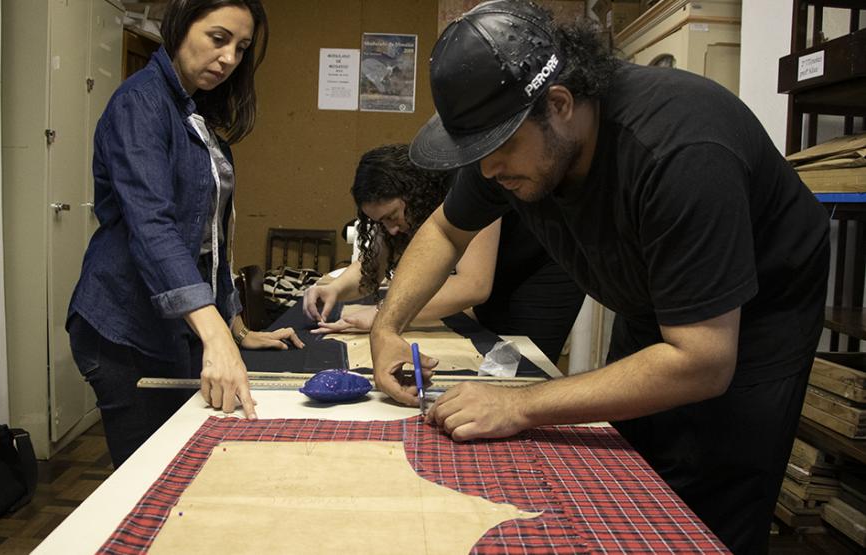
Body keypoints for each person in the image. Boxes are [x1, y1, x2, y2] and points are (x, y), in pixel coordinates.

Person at [369, 1, 830, 553]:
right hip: (651, 302)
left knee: (707, 506)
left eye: (499, 151)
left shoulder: (682, 151)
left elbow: (702, 360)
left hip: (756, 317)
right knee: (629, 475)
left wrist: (520, 403)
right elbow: (446, 231)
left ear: (559, 104)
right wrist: (386, 326)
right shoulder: (516, 133)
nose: (488, 172)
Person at [67, 0, 302, 468]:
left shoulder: (193, 114)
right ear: (179, 27)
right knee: (150, 474)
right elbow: (153, 227)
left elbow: (209, 237)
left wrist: (235, 326)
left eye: (241, 47)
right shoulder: (140, 103)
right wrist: (215, 335)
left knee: (187, 459)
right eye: (218, 39)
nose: (230, 59)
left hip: (174, 329)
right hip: (123, 327)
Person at [301, 144, 583, 363]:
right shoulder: (403, 205)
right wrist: (334, 288)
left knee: (517, 369)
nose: (392, 230)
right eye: (380, 222)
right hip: (499, 263)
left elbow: (473, 286)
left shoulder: (465, 186)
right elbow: (372, 264)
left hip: (541, 268)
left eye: (392, 217)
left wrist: (385, 314)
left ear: (414, 194)